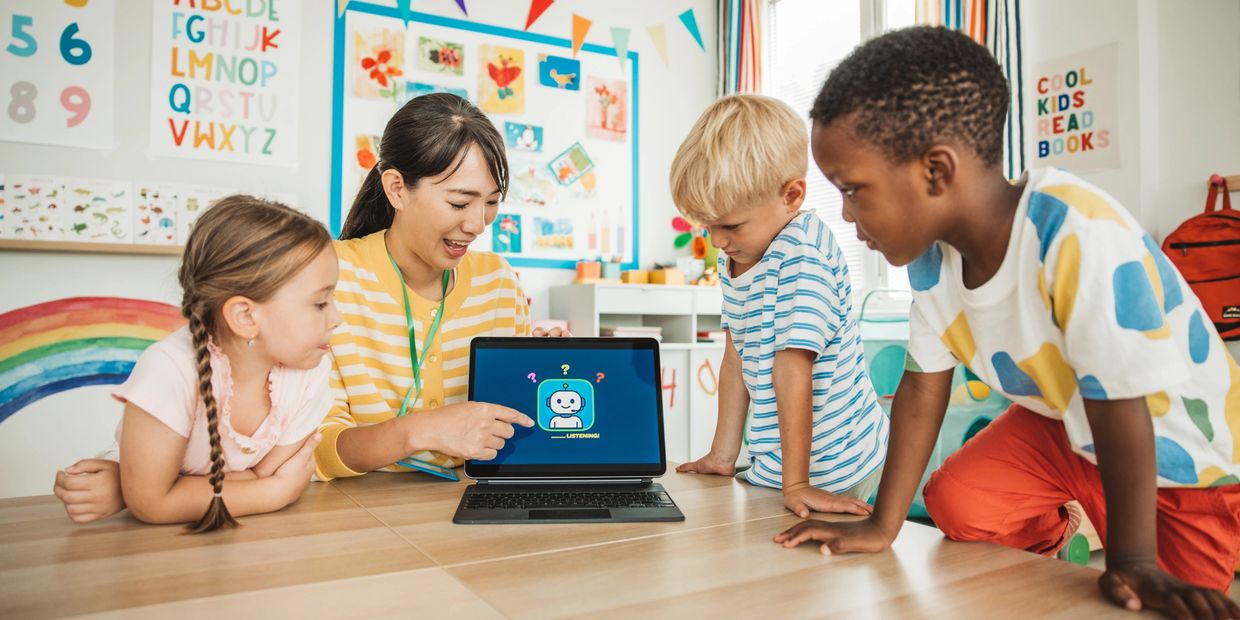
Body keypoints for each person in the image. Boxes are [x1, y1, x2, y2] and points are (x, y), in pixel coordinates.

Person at [774, 26, 1240, 618]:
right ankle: (1064, 533)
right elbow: (922, 384)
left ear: (936, 172)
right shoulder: (930, 263)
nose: (844, 214)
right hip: (1069, 431)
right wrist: (883, 524)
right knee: (958, 501)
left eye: (853, 190)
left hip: (1180, 453)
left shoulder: (1077, 234)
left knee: (1165, 605)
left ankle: (1125, 541)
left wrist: (1134, 560)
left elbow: (1123, 404)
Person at [316, 93, 565, 482]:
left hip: (470, 503)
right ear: (397, 189)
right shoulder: (330, 276)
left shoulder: (497, 281)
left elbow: (516, 428)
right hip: (359, 513)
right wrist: (422, 430)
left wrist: (545, 376)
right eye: (459, 202)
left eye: (491, 203)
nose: (478, 225)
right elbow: (314, 446)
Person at [54, 196, 340, 531]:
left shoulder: (309, 371)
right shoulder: (169, 369)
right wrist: (274, 493)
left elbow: (256, 474)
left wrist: (151, 491)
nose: (338, 318)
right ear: (245, 316)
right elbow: (153, 503)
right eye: (321, 303)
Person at [669, 94, 888, 518]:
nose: (717, 241)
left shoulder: (803, 254)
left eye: (730, 225)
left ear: (791, 196)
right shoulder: (737, 252)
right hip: (784, 465)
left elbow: (792, 369)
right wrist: (722, 454)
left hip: (838, 462)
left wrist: (798, 483)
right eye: (708, 226)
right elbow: (736, 357)